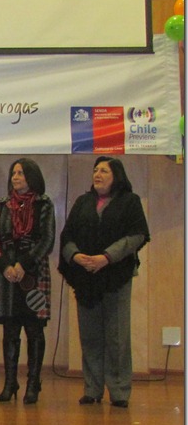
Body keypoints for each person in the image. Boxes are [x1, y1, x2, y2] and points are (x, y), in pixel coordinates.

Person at [58, 156, 150, 408]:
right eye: (95, 170)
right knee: (89, 336)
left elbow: (137, 235)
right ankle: (92, 388)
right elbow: (67, 236)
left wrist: (106, 257)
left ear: (116, 176)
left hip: (116, 277)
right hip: (86, 277)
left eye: (104, 171)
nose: (97, 174)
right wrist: (76, 256)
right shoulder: (82, 202)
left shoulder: (129, 202)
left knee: (117, 336)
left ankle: (119, 391)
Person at [0, 158, 55, 404]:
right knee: (10, 330)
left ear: (32, 177)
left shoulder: (44, 204)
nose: (16, 177)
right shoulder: (2, 204)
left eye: (21, 173)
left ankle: (33, 383)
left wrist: (23, 265)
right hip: (6, 276)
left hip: (33, 273)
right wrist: (4, 265)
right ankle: (10, 382)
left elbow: (47, 240)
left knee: (34, 330)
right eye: (14, 173)